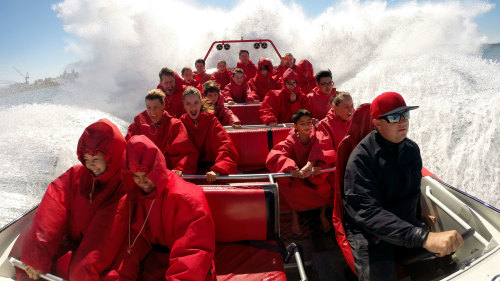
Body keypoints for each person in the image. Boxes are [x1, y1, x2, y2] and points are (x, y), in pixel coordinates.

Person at [343, 92, 464, 281]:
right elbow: (367, 213)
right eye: (394, 117)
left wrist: (419, 213)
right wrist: (422, 237)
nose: (402, 122)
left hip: (405, 223)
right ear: (377, 123)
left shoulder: (412, 150)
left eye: (405, 115)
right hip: (370, 234)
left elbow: (413, 188)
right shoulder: (361, 159)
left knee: (447, 261)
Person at [16, 119, 127, 281]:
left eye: (96, 159)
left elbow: (101, 238)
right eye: (87, 160)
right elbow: (50, 213)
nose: (91, 166)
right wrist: (36, 258)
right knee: (29, 269)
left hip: (107, 255)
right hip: (74, 244)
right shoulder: (75, 176)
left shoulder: (123, 187)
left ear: (111, 157)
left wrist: (81, 273)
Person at [111, 135, 216, 280]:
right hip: (154, 261)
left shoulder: (187, 198)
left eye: (146, 174)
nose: (142, 182)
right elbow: (134, 242)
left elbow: (193, 251)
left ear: (156, 168)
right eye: (136, 176)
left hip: (191, 268)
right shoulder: (137, 197)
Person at [266, 109, 333, 235]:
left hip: (314, 174)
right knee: (292, 189)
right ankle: (294, 217)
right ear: (295, 126)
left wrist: (318, 165)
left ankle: (322, 215)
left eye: (309, 123)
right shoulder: (290, 141)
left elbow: (324, 151)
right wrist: (291, 168)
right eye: (302, 124)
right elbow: (277, 156)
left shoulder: (317, 137)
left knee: (325, 186)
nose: (307, 126)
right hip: (297, 175)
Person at [125, 89, 199, 176]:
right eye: (149, 107)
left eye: (156, 107)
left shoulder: (174, 125)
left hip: (167, 175)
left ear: (163, 105)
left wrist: (180, 168)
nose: (152, 112)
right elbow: (127, 150)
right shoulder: (136, 126)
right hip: (142, 177)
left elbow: (186, 152)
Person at [180, 87, 239, 182]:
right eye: (188, 104)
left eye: (196, 103)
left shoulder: (211, 120)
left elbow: (225, 146)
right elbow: (178, 151)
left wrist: (218, 169)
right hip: (189, 171)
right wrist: (180, 168)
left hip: (212, 168)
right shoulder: (181, 123)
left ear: (201, 102)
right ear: (184, 106)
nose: (193, 107)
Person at [309, 92, 354, 165]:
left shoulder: (357, 119)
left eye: (352, 106)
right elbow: (324, 147)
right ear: (335, 107)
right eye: (346, 107)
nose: (350, 110)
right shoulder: (325, 124)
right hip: (338, 165)